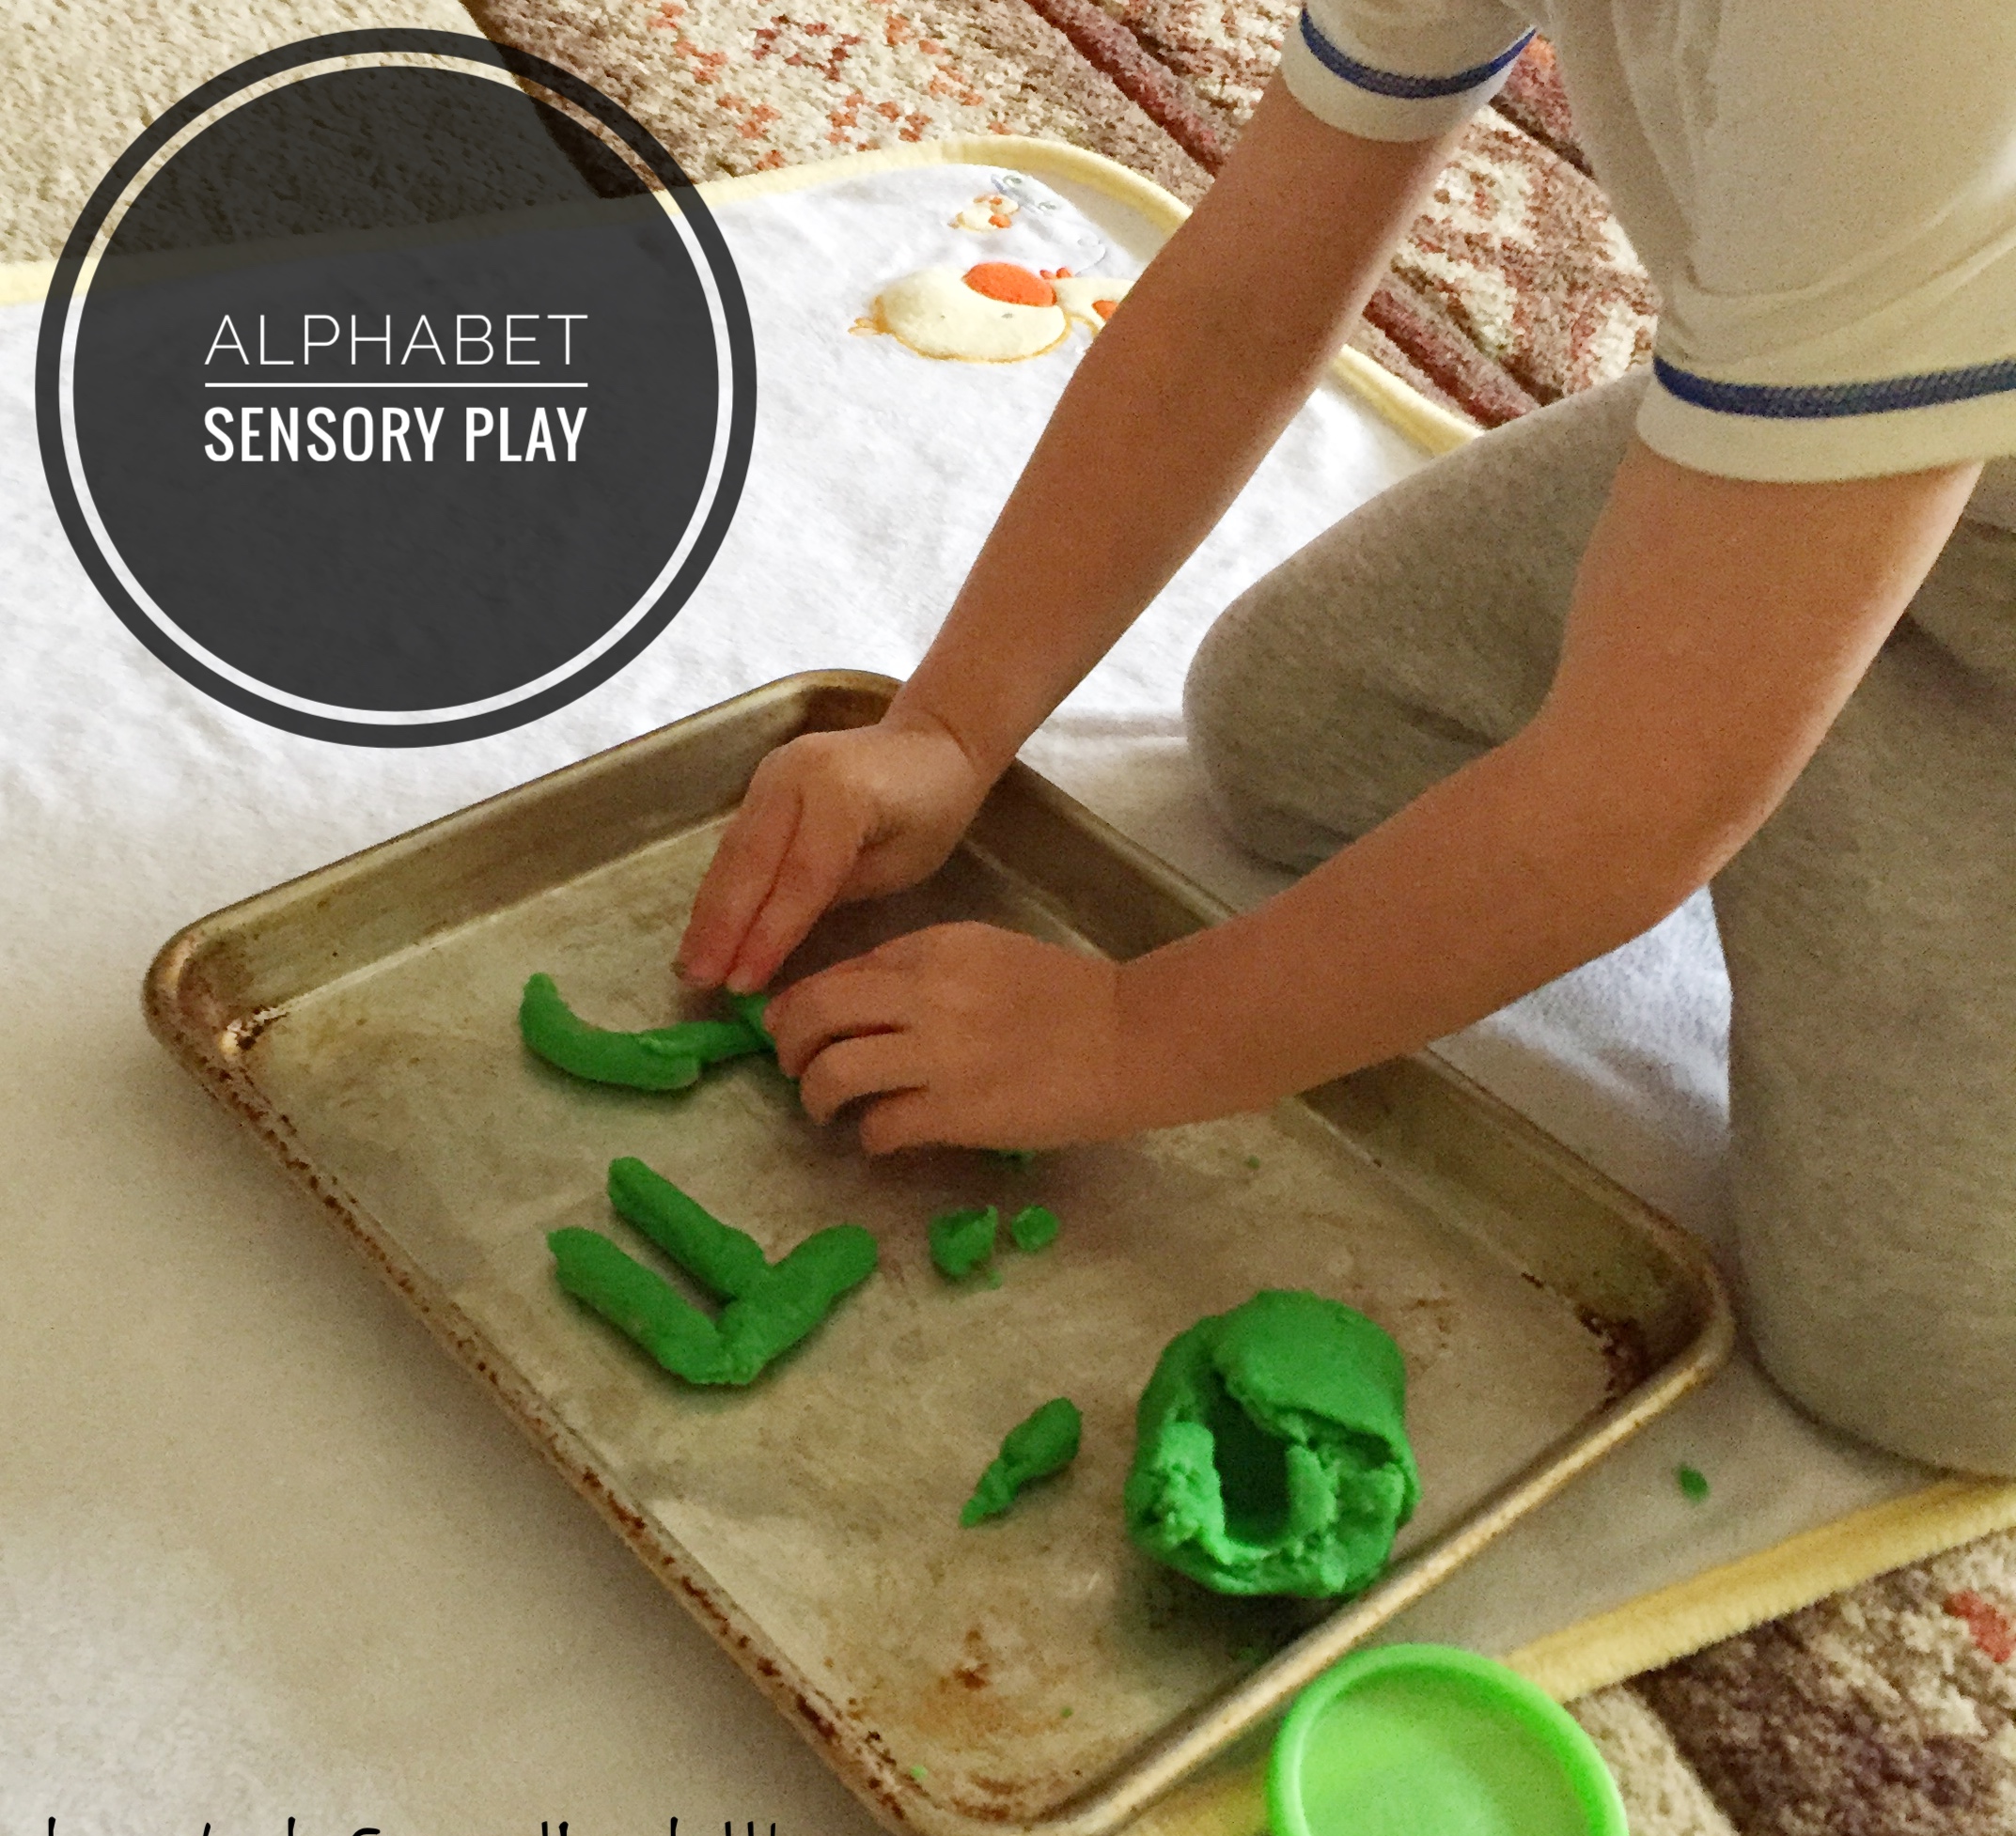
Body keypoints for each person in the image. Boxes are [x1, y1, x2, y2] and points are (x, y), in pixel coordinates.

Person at [679, 2, 2016, 1473]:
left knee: (1924, 1349)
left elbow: (1633, 800)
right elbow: (1250, 289)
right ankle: (1781, 559)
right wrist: (946, 722)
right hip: (1883, 427)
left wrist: (1130, 1035)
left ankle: (1778, 615)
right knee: (1294, 720)